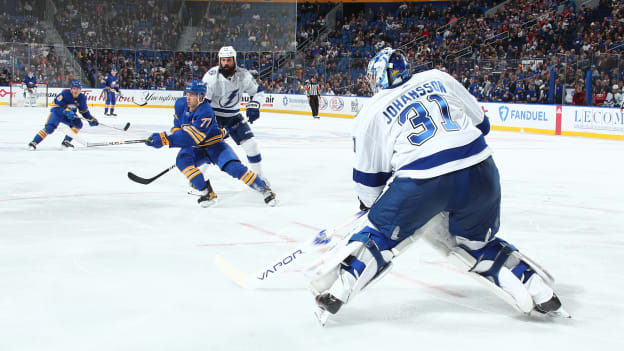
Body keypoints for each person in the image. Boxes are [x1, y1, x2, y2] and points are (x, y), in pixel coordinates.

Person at [307, 48, 568, 324]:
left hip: (423, 181)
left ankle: (338, 292)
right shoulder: (437, 77)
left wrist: (372, 207)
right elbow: (483, 124)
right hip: (482, 171)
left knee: (379, 233)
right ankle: (539, 290)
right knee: (476, 245)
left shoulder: (371, 111)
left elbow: (369, 185)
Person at [144, 81, 276, 207]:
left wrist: (166, 139)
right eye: (187, 94)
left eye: (192, 95)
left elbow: (192, 138)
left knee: (235, 168)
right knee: (182, 161)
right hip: (197, 149)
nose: (188, 98)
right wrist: (170, 136)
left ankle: (264, 190)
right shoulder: (180, 104)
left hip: (215, 147)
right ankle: (207, 193)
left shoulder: (205, 111)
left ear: (201, 97)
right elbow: (178, 126)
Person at [201, 46, 270, 182]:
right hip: (214, 116)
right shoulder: (211, 77)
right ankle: (198, 177)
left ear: (234, 60)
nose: (226, 64)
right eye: (223, 60)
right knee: (208, 148)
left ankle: (259, 176)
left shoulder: (244, 75)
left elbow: (258, 92)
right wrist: (208, 123)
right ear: (220, 61)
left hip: (233, 116)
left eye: (229, 60)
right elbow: (204, 103)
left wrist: (254, 105)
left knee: (252, 145)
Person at [28, 80, 99, 150]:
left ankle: (66, 141)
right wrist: (66, 111)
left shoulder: (82, 98)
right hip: (58, 113)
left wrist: (91, 118)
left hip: (70, 116)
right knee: (49, 128)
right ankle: (34, 142)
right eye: (74, 88)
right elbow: (56, 107)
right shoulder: (64, 94)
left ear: (80, 90)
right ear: (71, 89)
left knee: (78, 124)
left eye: (78, 89)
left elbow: (84, 112)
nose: (75, 91)